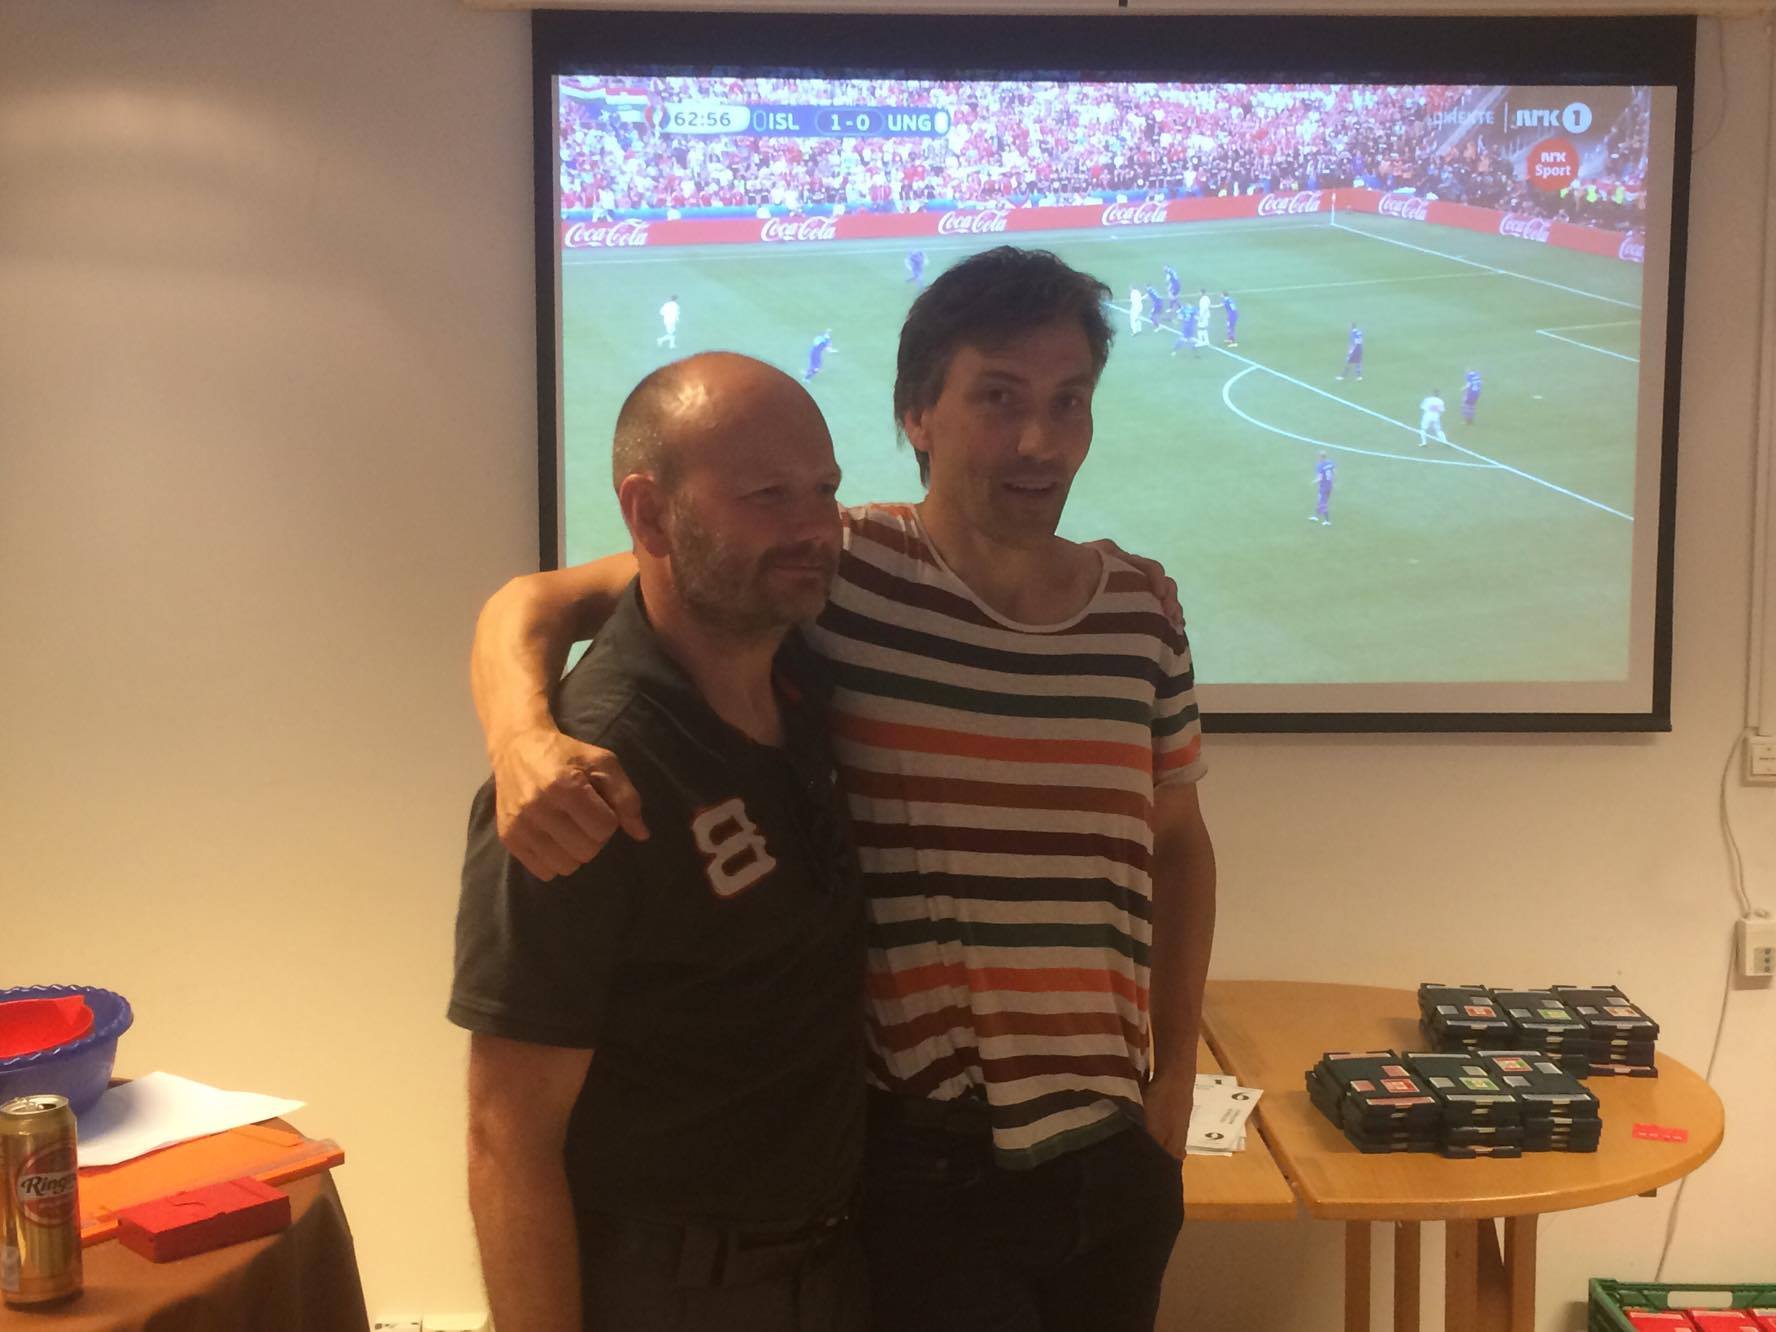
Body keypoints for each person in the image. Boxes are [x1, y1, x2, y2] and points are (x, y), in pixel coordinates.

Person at [472, 247, 1217, 1332]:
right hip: (925, 1165)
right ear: (917, 413)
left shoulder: (1141, 609)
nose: (1039, 441)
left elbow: (1180, 841)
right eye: (998, 397)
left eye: (1069, 400)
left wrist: (1174, 1077)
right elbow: (534, 601)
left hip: (1113, 1159)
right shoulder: (835, 566)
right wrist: (520, 736)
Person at [451, 353, 868, 1332]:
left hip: (838, 1262)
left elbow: (535, 596)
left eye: (825, 490)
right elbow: (507, 1135)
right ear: (649, 516)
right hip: (671, 1290)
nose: (814, 527)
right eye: (768, 495)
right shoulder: (581, 777)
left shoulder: (799, 658)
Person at [1311, 450, 1336, 525]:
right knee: (1320, 501)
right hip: (1329, 485)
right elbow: (1334, 472)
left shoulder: (1320, 466)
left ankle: (1327, 521)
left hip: (1323, 487)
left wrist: (1314, 482)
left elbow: (1320, 478)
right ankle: (1316, 516)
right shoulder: (1330, 462)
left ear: (1320, 457)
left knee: (1323, 503)